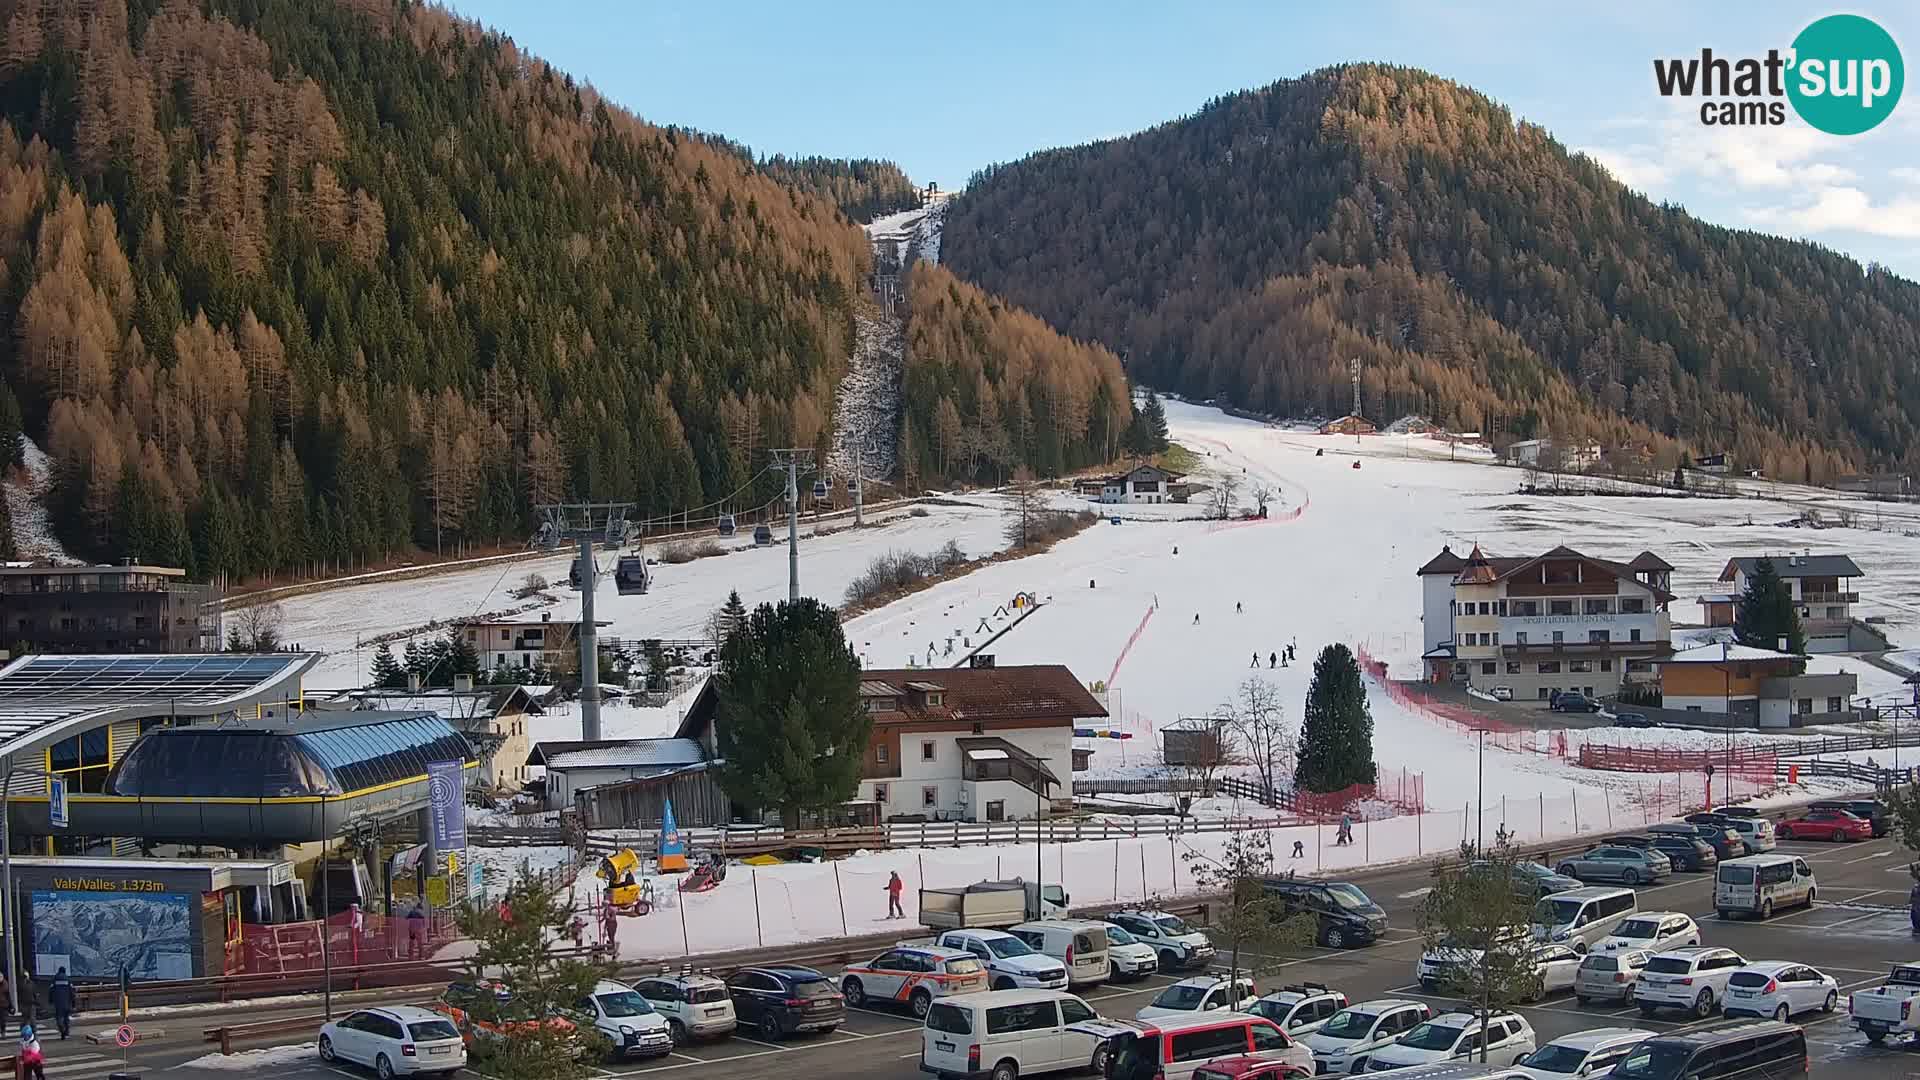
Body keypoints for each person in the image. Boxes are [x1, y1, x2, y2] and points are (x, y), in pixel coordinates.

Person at [46, 970, 72, 1041]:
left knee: (59, 1017)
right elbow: (72, 991)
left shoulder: (54, 979)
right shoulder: (68, 979)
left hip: (58, 1003)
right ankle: (66, 1031)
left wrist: (50, 1000)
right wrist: (73, 1002)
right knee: (66, 1018)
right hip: (67, 1002)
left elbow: (51, 990)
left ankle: (62, 1030)